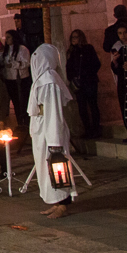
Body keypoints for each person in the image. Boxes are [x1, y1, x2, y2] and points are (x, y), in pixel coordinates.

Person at [29, 44, 76, 219]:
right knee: (46, 168)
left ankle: (63, 203)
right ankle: (56, 202)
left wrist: (55, 140)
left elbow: (54, 111)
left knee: (58, 167)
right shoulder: (42, 80)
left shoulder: (50, 82)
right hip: (42, 129)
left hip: (50, 131)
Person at [66, 30, 102, 139]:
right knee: (82, 108)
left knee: (93, 105)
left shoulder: (88, 49)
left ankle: (96, 129)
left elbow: (96, 64)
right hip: (79, 84)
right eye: (72, 37)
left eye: (76, 37)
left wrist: (86, 75)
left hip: (89, 82)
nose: (74, 39)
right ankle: (87, 129)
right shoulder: (71, 52)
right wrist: (72, 79)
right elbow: (69, 67)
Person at [0, 30, 32, 136]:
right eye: (6, 37)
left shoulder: (22, 49)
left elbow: (26, 63)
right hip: (10, 79)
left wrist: (14, 64)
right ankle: (19, 124)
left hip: (21, 79)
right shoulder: (6, 50)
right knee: (15, 103)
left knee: (23, 102)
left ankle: (26, 125)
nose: (7, 39)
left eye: (9, 37)